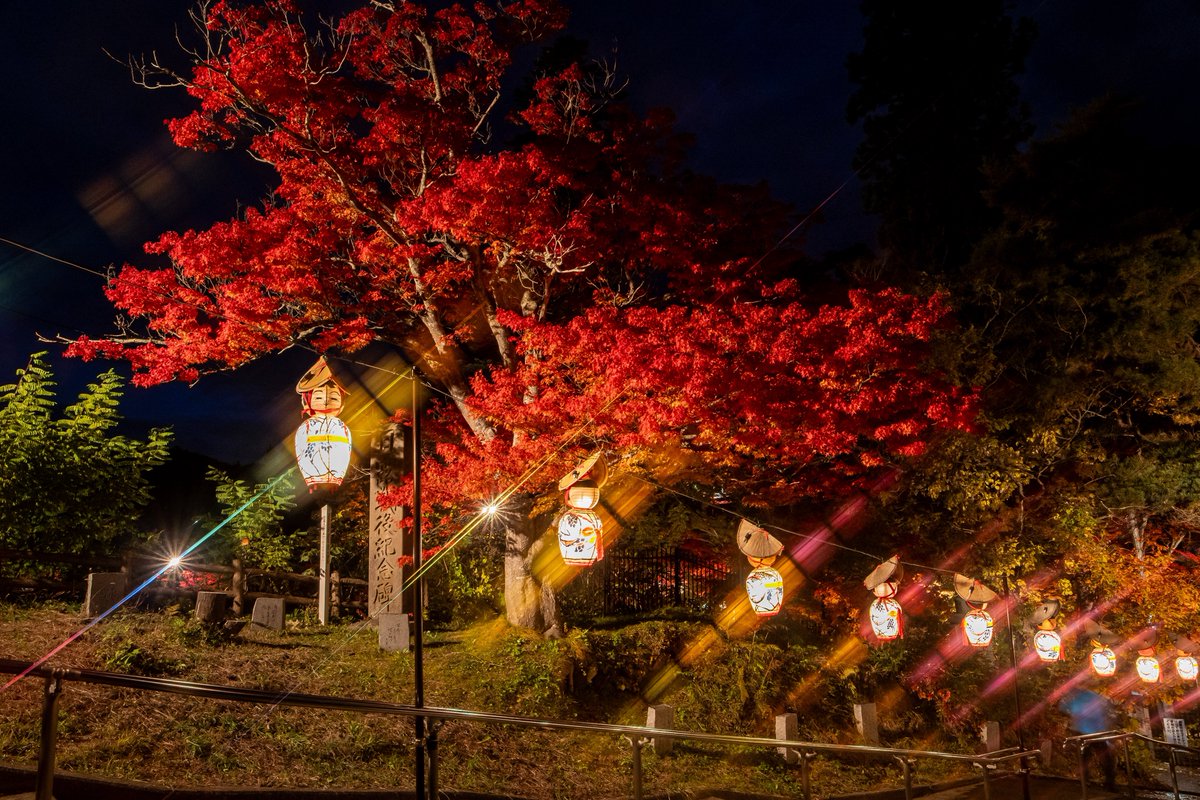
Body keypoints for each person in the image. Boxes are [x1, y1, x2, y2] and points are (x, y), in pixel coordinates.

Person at [1060, 688, 1118, 791]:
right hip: (1096, 732)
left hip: (1084, 732)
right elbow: (1106, 711)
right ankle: (1109, 784)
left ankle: (1086, 782)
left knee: (1084, 758)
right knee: (1104, 758)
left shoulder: (1076, 697)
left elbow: (1063, 708)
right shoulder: (1095, 696)